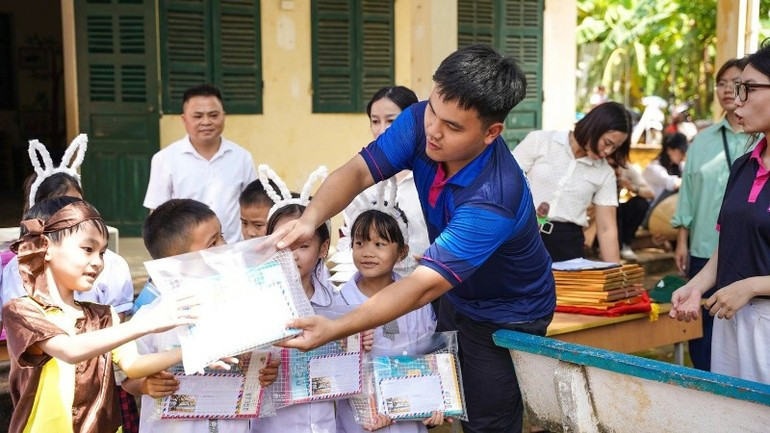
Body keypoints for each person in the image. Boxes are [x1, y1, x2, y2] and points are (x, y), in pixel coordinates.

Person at [274, 45, 556, 433]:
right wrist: (310, 220)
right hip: (455, 291)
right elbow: (357, 172)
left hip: (505, 311)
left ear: (491, 132)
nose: (434, 132)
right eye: (434, 111)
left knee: (485, 416)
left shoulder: (494, 197)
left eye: (454, 127)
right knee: (431, 399)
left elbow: (422, 286)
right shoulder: (418, 122)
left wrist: (333, 327)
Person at [1, 196, 197, 433]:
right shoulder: (22, 310)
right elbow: (69, 350)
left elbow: (133, 366)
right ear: (46, 247)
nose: (98, 262)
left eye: (102, 253)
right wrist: (148, 324)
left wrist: (195, 351)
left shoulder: (105, 315)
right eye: (87, 249)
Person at [131, 198, 279, 433]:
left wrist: (267, 371)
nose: (224, 246)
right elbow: (127, 377)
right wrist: (144, 385)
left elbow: (263, 358)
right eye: (212, 243)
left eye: (221, 235)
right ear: (176, 263)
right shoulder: (151, 318)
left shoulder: (243, 305)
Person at [670, 42, 770, 384]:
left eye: (748, 88)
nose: (736, 99)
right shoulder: (745, 165)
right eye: (733, 87)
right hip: (732, 321)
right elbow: (728, 245)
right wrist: (696, 287)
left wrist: (753, 286)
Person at [336, 182, 441, 433]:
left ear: (402, 252)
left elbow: (431, 356)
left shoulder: (417, 301)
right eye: (360, 243)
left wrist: (437, 398)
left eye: (379, 244)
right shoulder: (340, 305)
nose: (367, 252)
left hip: (409, 419)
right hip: (362, 421)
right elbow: (333, 372)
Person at [250, 166, 341, 433]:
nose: (292, 255)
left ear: (323, 248)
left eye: (303, 245)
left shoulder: (335, 303)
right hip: (272, 425)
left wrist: (358, 343)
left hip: (322, 424)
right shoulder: (255, 302)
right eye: (283, 244)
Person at [513, 101, 632, 263]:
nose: (608, 152)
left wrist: (615, 276)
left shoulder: (605, 173)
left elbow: (606, 229)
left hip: (566, 246)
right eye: (607, 143)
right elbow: (504, 184)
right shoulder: (541, 141)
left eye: (615, 148)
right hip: (520, 233)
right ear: (594, 127)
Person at [335, 86, 429, 283]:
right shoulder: (361, 177)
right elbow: (347, 236)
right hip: (371, 289)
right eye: (375, 121)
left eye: (391, 121)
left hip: (422, 285)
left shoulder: (430, 175)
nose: (382, 130)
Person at [143, 84, 257, 243]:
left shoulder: (242, 157)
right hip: (186, 254)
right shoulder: (165, 159)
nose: (206, 122)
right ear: (184, 119)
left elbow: (252, 206)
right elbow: (157, 214)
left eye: (213, 115)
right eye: (197, 116)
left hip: (233, 250)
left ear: (224, 116)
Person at [612, 160, 654, 260]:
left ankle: (625, 243)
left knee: (641, 204)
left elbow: (650, 193)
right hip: (596, 211)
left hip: (615, 207)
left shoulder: (624, 166)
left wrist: (631, 187)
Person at [643, 132, 688, 201]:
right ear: (669, 150)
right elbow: (673, 184)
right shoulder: (654, 168)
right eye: (681, 152)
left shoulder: (680, 165)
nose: (684, 156)